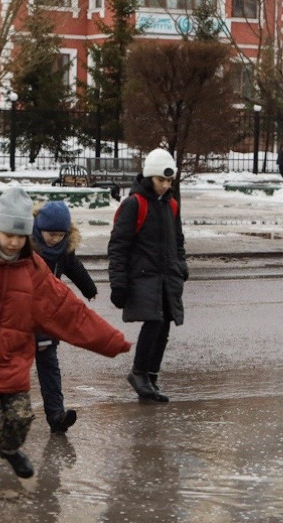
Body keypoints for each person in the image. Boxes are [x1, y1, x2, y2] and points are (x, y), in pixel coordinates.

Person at [0, 185, 131, 508]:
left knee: (20, 420)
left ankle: (8, 448)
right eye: (9, 234)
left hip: (9, 364)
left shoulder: (32, 267)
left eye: (21, 236)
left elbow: (66, 310)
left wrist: (110, 341)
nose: (15, 242)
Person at [108, 148, 187, 403]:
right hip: (143, 276)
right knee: (153, 322)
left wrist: (181, 267)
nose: (165, 185)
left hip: (166, 276)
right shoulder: (134, 204)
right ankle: (138, 372)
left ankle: (151, 376)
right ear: (149, 177)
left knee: (164, 324)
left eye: (168, 181)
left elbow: (178, 241)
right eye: (160, 180)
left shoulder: (171, 205)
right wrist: (118, 284)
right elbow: (118, 245)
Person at [31, 200, 99, 434]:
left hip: (47, 317)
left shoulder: (63, 250)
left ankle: (56, 415)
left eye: (60, 235)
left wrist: (89, 288)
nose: (55, 239)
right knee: (2, 365)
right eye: (51, 234)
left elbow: (74, 267)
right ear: (39, 229)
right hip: (19, 316)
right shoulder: (25, 245)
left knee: (49, 365)